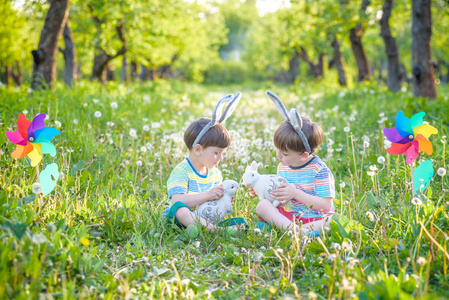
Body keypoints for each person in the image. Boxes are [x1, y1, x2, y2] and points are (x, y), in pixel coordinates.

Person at [163, 94, 245, 237]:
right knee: (179, 209)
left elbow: (214, 201)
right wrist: (207, 195)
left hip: (205, 217)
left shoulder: (214, 173)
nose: (221, 158)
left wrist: (222, 198)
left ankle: (198, 230)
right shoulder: (182, 171)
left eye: (222, 153)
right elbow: (177, 200)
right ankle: (217, 231)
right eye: (217, 153)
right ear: (198, 149)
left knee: (241, 221)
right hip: (181, 219)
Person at [254, 92, 335, 236]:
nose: (278, 156)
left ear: (303, 156)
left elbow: (326, 207)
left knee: (333, 220)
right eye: (278, 150)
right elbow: (282, 201)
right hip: (293, 218)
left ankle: (284, 229)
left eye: (285, 154)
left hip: (316, 218)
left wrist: (295, 193)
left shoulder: (319, 170)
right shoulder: (283, 167)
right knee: (262, 206)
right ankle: (298, 232)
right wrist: (264, 191)